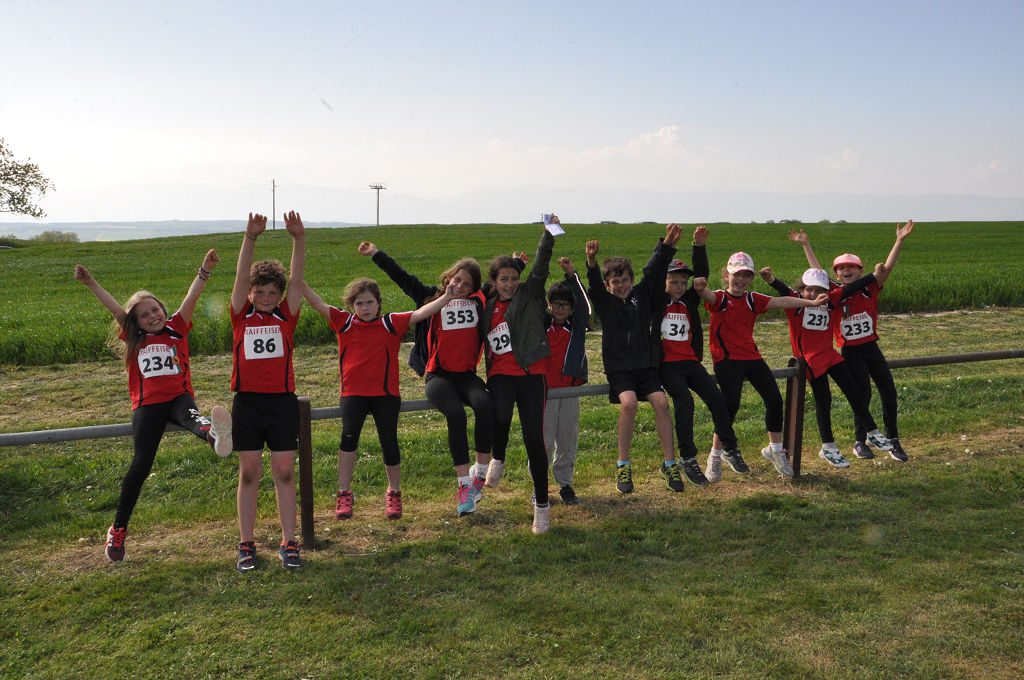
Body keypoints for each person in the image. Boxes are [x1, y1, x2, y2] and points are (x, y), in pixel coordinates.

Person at [74, 251, 232, 563]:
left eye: (155, 309)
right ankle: (118, 529)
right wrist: (91, 283)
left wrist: (204, 269)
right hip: (147, 406)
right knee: (141, 465)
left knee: (192, 417)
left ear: (163, 309)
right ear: (137, 322)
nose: (153, 316)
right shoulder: (135, 336)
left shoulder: (177, 327)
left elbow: (191, 297)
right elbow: (114, 308)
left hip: (178, 398)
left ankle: (214, 435)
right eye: (145, 315)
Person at [304, 272, 459, 525]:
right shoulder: (344, 322)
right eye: (359, 303)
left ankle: (394, 492)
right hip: (353, 393)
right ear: (351, 306)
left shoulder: (391, 323)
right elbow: (317, 303)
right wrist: (298, 281)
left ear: (379, 303)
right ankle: (344, 493)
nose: (365, 308)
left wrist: (447, 297)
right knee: (348, 439)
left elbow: (421, 313)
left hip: (385, 394)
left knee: (389, 441)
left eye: (370, 302)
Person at [358, 242, 493, 516]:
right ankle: (464, 486)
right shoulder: (428, 297)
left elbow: (501, 282)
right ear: (449, 277)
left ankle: (479, 473)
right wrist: (375, 254)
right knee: (456, 415)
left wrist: (519, 263)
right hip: (438, 377)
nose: (460, 286)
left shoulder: (478, 301)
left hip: (467, 376)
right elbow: (401, 276)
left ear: (473, 289)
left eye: (467, 284)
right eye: (457, 279)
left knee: (485, 405)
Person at [692, 252, 828, 480]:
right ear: (726, 276)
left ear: (751, 278)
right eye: (737, 275)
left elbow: (782, 301)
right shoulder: (720, 298)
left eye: (746, 275)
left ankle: (775, 450)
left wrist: (811, 303)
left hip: (752, 358)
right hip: (727, 360)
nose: (741, 279)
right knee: (730, 406)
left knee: (774, 400)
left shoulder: (752, 299)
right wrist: (700, 288)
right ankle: (715, 455)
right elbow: (707, 295)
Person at [788, 222, 914, 461]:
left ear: (860, 271)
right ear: (836, 275)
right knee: (861, 394)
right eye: (842, 268)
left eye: (852, 267)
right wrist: (806, 245)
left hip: (871, 347)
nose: (847, 270)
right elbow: (816, 272)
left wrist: (899, 240)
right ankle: (860, 441)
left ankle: (893, 439)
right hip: (850, 350)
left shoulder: (869, 289)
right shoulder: (833, 293)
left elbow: (885, 270)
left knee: (889, 391)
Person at [229, 211, 306, 573]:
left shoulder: (286, 315)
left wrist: (298, 239)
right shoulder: (240, 315)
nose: (265, 297)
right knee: (249, 472)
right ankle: (246, 543)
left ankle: (289, 541)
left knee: (285, 471)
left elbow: (297, 279)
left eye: (272, 292)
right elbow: (240, 275)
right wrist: (250, 237)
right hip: (247, 402)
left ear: (280, 295)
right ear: (250, 293)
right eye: (259, 291)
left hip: (281, 403)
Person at [762, 265, 893, 467]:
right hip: (810, 358)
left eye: (819, 290)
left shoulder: (830, 301)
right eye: (809, 289)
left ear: (827, 291)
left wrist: (874, 276)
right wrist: (771, 279)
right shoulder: (796, 303)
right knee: (824, 399)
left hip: (829, 354)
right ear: (802, 289)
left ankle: (872, 431)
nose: (813, 293)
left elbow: (852, 287)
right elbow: (782, 289)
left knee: (854, 390)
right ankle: (828, 446)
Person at [585, 224, 682, 494]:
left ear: (631, 280)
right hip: (619, 368)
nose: (621, 286)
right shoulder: (605, 303)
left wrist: (666, 244)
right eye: (614, 282)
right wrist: (591, 262)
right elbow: (593, 285)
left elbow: (653, 271)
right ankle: (623, 465)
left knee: (662, 403)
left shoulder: (640, 296)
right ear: (608, 285)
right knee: (629, 404)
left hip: (644, 365)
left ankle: (669, 464)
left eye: (625, 280)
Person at [480, 220, 558, 533]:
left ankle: (542, 506)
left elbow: (540, 268)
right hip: (500, 374)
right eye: (504, 280)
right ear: (494, 282)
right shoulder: (487, 305)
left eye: (514, 278)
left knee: (533, 439)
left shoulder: (529, 295)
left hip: (531, 374)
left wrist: (548, 235)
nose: (510, 284)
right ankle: (497, 458)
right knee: (499, 416)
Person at [652, 225, 743, 487]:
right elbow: (654, 272)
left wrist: (699, 246)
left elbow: (700, 276)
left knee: (717, 398)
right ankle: (688, 458)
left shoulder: (689, 300)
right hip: (668, 366)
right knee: (685, 402)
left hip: (690, 362)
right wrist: (667, 246)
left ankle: (730, 447)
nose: (679, 287)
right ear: (665, 282)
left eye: (683, 283)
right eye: (674, 282)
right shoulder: (657, 300)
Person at [541, 256, 590, 505]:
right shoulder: (541, 325)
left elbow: (585, 305)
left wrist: (572, 276)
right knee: (544, 442)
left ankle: (566, 485)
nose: (560, 309)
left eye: (566, 305)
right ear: (549, 305)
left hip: (569, 391)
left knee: (568, 440)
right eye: (556, 304)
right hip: (544, 393)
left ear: (571, 309)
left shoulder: (576, 327)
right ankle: (539, 487)